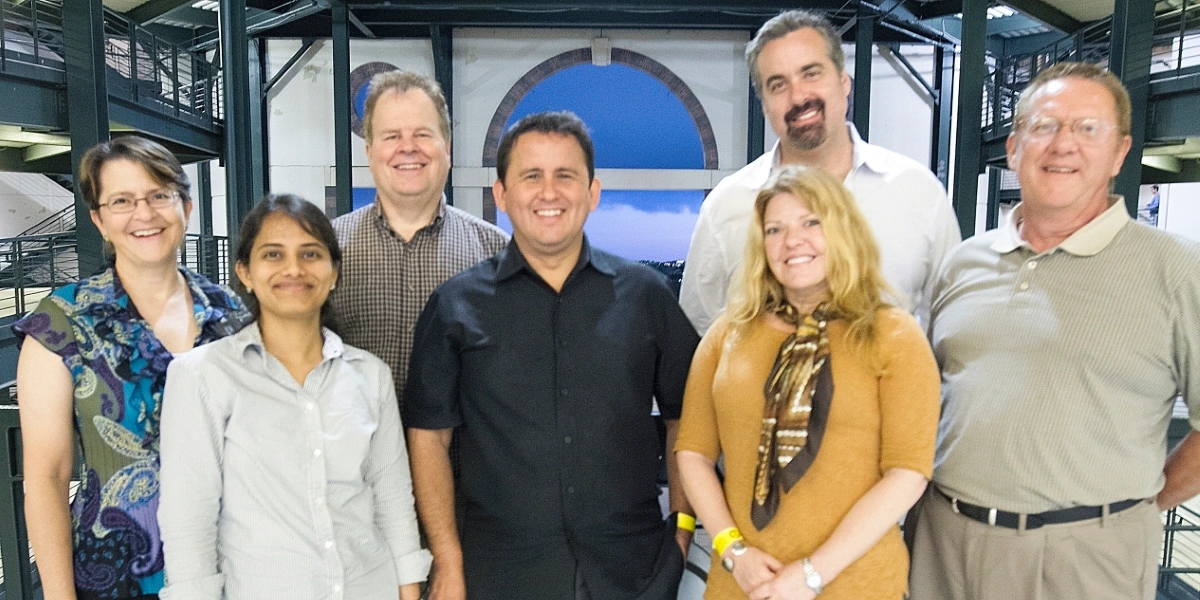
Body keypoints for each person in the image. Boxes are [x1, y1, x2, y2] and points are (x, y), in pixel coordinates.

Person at [910, 62, 1200, 600]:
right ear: (1015, 148)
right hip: (944, 541)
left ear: (1120, 152)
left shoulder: (1177, 269)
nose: (1063, 144)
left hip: (1086, 559)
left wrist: (1140, 505)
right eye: (1044, 126)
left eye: (1088, 128)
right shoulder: (962, 263)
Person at [403, 111, 700, 600]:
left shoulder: (646, 296)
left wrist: (682, 535)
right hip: (500, 575)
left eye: (566, 175)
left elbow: (687, 419)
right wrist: (449, 562)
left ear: (593, 192)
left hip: (632, 572)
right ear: (501, 195)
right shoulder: (456, 305)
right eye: (531, 176)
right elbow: (428, 439)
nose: (549, 192)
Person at [676, 165, 939, 600]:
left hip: (856, 585)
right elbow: (693, 453)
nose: (792, 240)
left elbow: (908, 473)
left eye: (811, 222)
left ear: (843, 231)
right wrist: (732, 551)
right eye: (775, 228)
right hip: (743, 585)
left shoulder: (893, 335)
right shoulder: (728, 335)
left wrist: (813, 574)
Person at [157, 194, 431, 600]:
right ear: (245, 273)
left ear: (334, 271)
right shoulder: (203, 376)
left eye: (310, 254)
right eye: (273, 254)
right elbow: (189, 523)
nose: (293, 269)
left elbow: (392, 501)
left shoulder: (370, 375)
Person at [12, 136, 249, 600]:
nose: (144, 214)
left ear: (186, 206)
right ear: (100, 220)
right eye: (122, 201)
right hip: (113, 574)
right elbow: (47, 477)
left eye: (159, 196)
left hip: (233, 568)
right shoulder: (63, 322)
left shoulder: (230, 314)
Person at [680, 9, 960, 335]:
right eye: (778, 84)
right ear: (765, 105)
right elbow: (698, 341)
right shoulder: (726, 206)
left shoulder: (918, 192)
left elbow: (948, 335)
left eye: (811, 73)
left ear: (844, 82)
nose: (799, 96)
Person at [329, 70, 507, 413]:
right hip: (355, 466)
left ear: (448, 148)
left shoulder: (496, 253)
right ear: (369, 152)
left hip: (462, 464)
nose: (407, 147)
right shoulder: (325, 251)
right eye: (391, 136)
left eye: (422, 134)